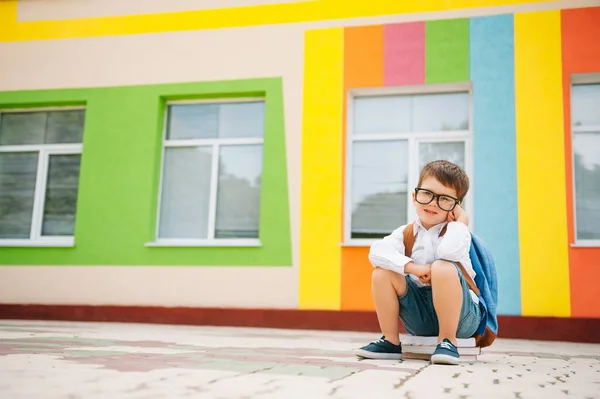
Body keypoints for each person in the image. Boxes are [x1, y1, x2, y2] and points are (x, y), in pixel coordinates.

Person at [353, 160, 482, 365]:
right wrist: (412, 267)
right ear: (414, 196)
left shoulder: (458, 233)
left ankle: (448, 342)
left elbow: (448, 252)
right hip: (422, 317)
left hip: (462, 318)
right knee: (382, 272)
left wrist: (461, 222)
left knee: (442, 266)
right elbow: (376, 252)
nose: (433, 203)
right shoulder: (406, 233)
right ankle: (390, 342)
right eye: (427, 194)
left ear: (456, 207)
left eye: (445, 199)